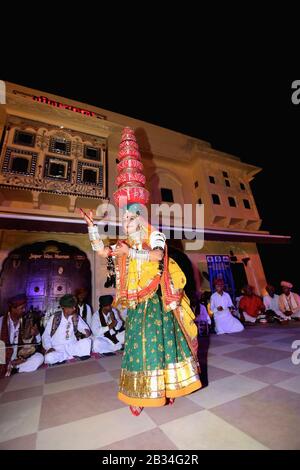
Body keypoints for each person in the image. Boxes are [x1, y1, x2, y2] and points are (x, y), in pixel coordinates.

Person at [81, 127, 201, 416]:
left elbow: (159, 255)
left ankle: (163, 389)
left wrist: (131, 252)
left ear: (140, 215)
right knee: (135, 346)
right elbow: (102, 252)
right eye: (124, 217)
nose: (126, 220)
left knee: (155, 345)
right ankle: (139, 394)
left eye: (130, 216)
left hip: (155, 300)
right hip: (135, 302)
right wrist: (91, 228)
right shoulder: (124, 241)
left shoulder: (153, 235)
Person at [0, 294, 44, 377]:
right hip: (4, 359)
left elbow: (37, 343)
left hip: (21, 358)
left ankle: (14, 369)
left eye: (24, 308)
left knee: (40, 357)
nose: (24, 310)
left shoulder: (25, 322)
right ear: (13, 309)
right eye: (21, 308)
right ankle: (9, 367)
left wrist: (37, 334)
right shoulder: (1, 322)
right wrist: (10, 361)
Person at [42, 294, 92, 365]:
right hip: (57, 348)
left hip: (71, 346)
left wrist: (76, 321)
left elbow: (88, 333)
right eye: (71, 307)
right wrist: (49, 347)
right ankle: (68, 356)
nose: (74, 309)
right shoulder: (55, 317)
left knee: (87, 342)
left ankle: (65, 357)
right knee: (49, 358)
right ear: (63, 307)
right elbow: (46, 335)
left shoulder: (75, 316)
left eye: (74, 306)